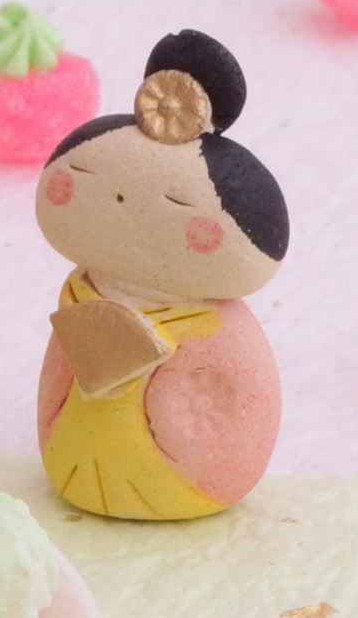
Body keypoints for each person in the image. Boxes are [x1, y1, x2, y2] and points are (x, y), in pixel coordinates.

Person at [30, 27, 287, 519]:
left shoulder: (213, 324)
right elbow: (60, 376)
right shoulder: (84, 295)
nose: (125, 207)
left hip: (188, 476)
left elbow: (234, 400)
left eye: (176, 205)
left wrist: (179, 415)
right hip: (73, 459)